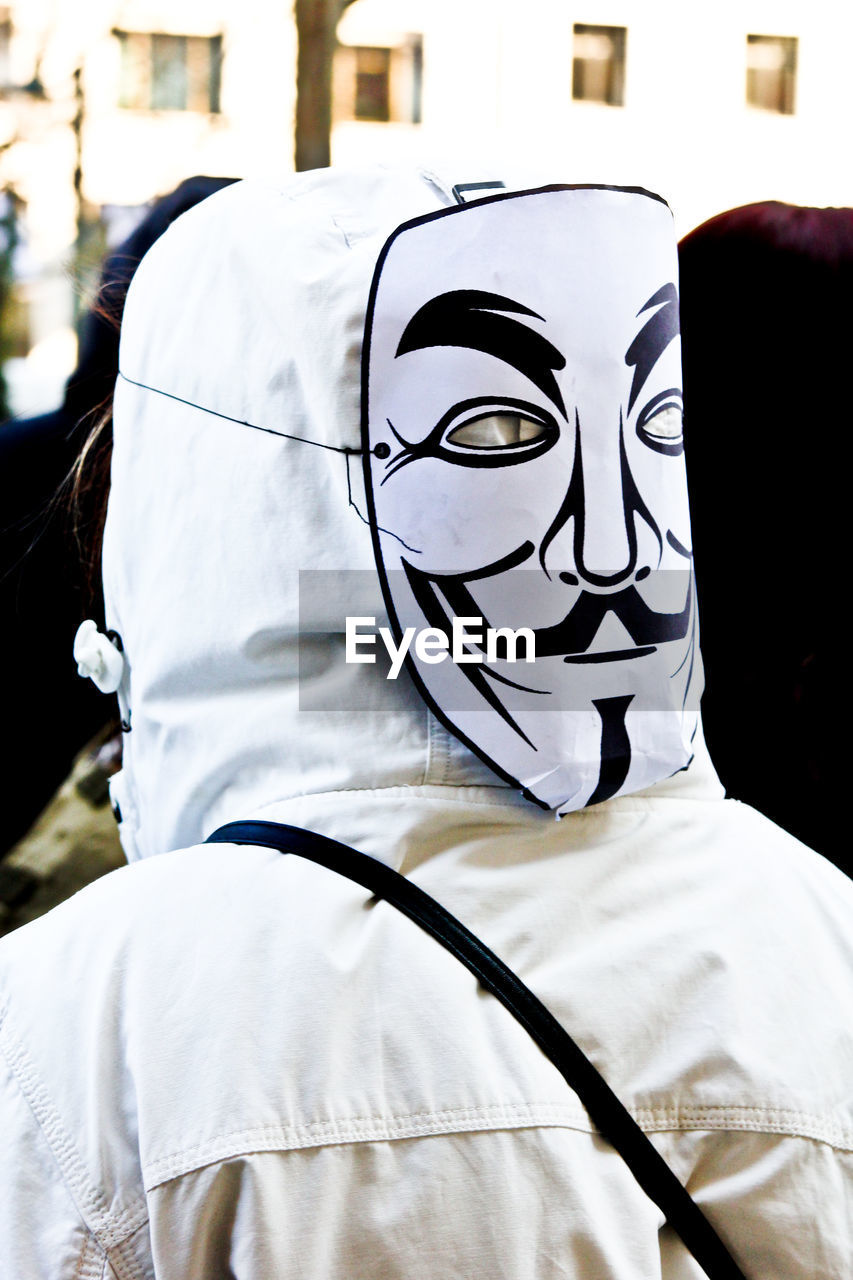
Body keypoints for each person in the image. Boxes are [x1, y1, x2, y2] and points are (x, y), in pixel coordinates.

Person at [0, 167, 850, 1278]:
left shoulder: (80, 1029)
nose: (600, 547)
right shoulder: (823, 928)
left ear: (196, 487)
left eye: (653, 416)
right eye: (494, 429)